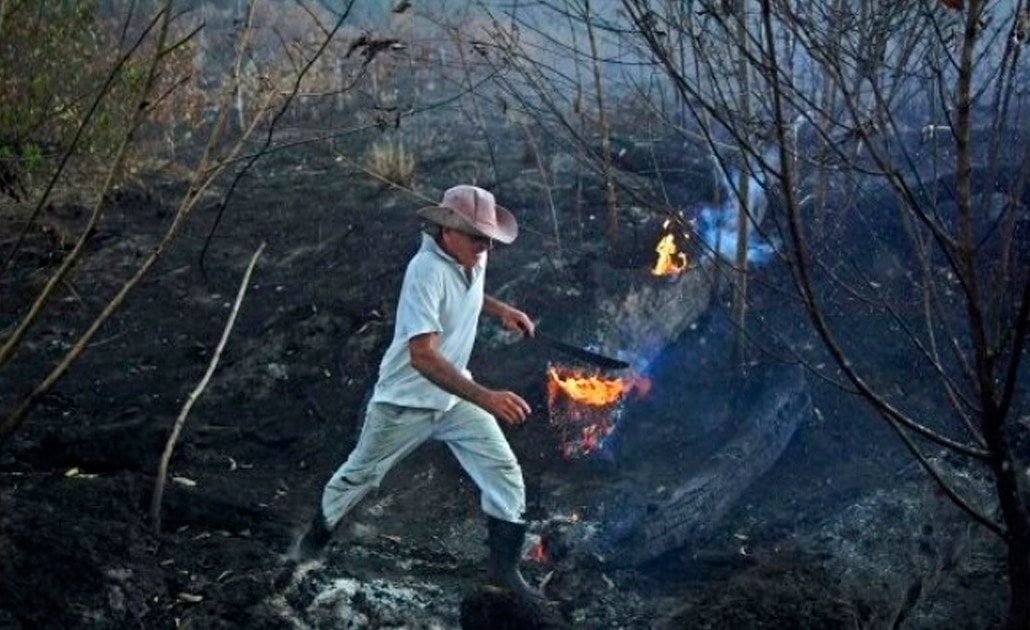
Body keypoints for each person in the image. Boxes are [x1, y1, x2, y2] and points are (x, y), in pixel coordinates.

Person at [291, 184, 541, 602]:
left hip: (454, 398)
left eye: (489, 239)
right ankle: (308, 549)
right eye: (478, 238)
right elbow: (422, 356)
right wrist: (486, 397)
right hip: (405, 403)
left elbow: (467, 289)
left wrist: (501, 310)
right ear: (448, 231)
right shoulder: (424, 271)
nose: (486, 248)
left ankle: (505, 574)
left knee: (503, 471)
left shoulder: (472, 256)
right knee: (359, 475)